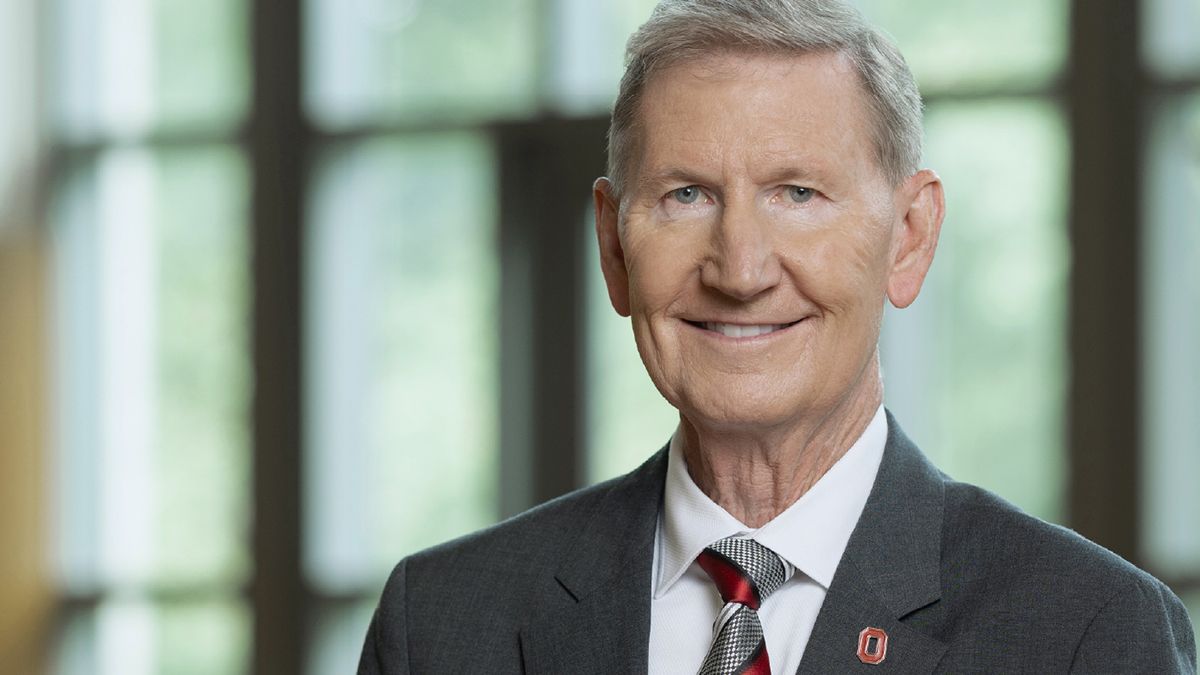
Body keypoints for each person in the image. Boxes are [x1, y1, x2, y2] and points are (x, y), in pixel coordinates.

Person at [358, 1, 1197, 672]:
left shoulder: (1088, 634)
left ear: (909, 237)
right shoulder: (442, 624)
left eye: (796, 193)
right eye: (686, 195)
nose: (741, 268)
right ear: (614, 245)